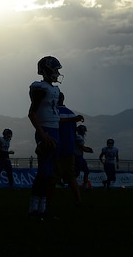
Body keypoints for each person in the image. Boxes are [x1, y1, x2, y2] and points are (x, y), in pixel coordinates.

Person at [27, 56, 64, 219]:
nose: (57, 73)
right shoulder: (41, 88)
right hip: (46, 131)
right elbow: (32, 113)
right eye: (55, 69)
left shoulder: (54, 90)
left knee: (49, 174)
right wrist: (43, 135)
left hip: (54, 130)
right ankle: (34, 208)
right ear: (48, 70)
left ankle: (42, 209)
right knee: (43, 173)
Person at [50, 99, 84, 208]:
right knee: (71, 176)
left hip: (58, 148)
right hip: (70, 148)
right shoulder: (71, 113)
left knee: (54, 176)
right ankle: (78, 200)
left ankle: (47, 202)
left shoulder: (54, 112)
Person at [74, 125, 93, 189]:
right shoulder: (79, 137)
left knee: (86, 171)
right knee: (76, 173)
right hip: (77, 156)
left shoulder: (78, 136)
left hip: (79, 156)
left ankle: (85, 185)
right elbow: (81, 147)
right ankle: (69, 183)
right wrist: (88, 150)